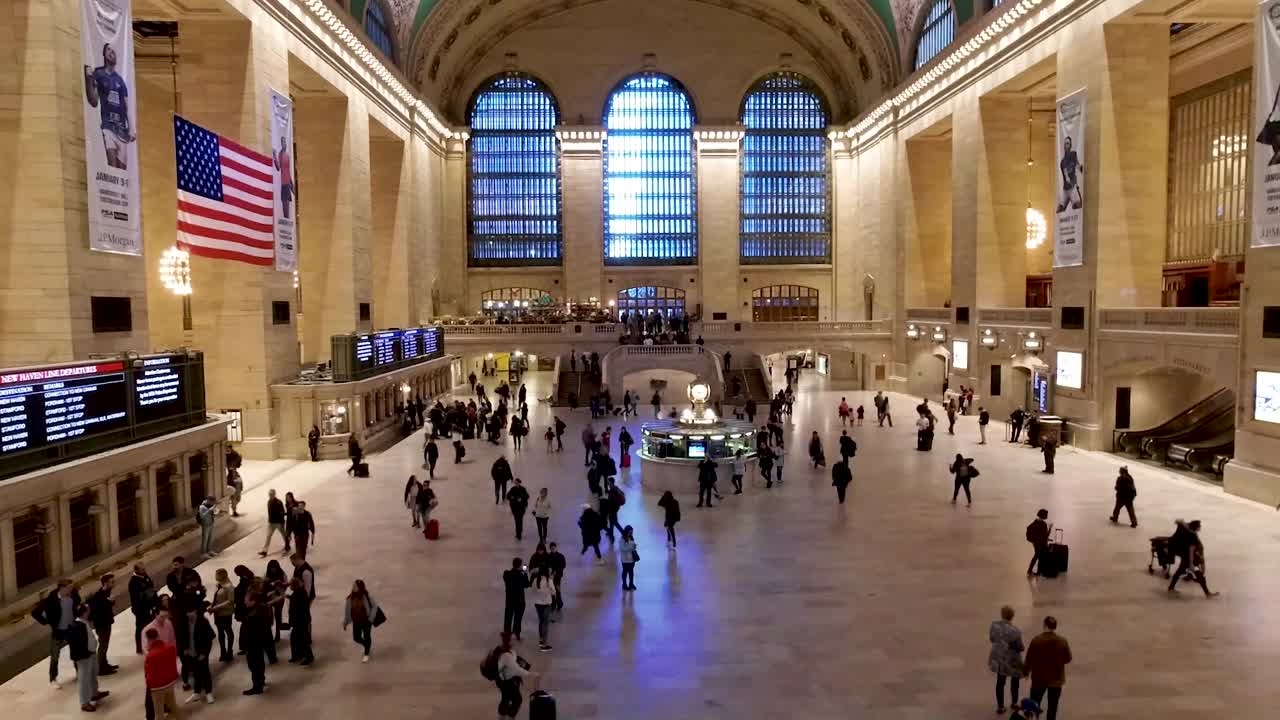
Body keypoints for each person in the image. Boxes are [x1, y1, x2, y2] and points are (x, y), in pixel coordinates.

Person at [34, 578, 82, 687]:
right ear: (61, 588)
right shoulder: (51, 600)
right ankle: (53, 678)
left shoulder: (73, 595)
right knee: (55, 655)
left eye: (72, 587)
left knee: (76, 652)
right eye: (69, 588)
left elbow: (77, 604)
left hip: (71, 628)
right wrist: (47, 622)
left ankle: (80, 672)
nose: (71, 590)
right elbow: (35, 612)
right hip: (59, 631)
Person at [1024, 616, 1072, 720]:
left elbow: (1029, 659)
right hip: (1056, 680)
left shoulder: (1036, 640)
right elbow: (1068, 659)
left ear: (1044, 625)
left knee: (1034, 704)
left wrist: (1026, 672)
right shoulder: (1062, 641)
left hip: (1039, 679)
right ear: (1055, 627)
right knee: (1052, 706)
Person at [68, 602, 110, 712]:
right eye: (88, 610)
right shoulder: (77, 626)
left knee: (92, 674)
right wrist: (87, 652)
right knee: (84, 679)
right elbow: (79, 643)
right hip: (84, 656)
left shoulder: (84, 622)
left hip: (90, 654)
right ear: (84, 612)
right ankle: (84, 702)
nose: (89, 611)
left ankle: (94, 693)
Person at [988, 605, 1025, 714]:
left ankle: (1000, 706)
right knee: (1015, 680)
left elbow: (992, 639)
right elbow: (1020, 647)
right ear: (1012, 617)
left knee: (1000, 681)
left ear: (1002, 614)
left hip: (998, 657)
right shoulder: (1015, 631)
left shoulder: (994, 626)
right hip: (1012, 659)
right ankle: (1014, 702)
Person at [492, 631, 537, 719]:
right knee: (516, 699)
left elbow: (514, 663)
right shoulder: (506, 655)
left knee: (506, 698)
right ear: (509, 641)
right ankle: (508, 716)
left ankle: (503, 716)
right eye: (513, 639)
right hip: (506, 682)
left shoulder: (508, 650)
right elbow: (517, 670)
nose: (516, 640)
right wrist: (531, 674)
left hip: (505, 680)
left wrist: (523, 663)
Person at [178, 601, 215, 705]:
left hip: (202, 653)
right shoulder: (184, 623)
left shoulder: (203, 622)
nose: (189, 615)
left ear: (195, 612)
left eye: (191, 612)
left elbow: (210, 638)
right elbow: (181, 638)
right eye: (187, 613)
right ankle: (196, 693)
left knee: (205, 672)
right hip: (190, 654)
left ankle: (208, 693)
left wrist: (205, 653)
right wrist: (184, 649)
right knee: (195, 673)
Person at [144, 628, 182, 720]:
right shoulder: (170, 648)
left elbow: (150, 674)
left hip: (157, 688)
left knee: (159, 713)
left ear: (149, 639)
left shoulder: (150, 656)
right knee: (173, 706)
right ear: (158, 636)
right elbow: (173, 664)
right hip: (169, 683)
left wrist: (149, 684)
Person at [85, 574, 118, 676]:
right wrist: (109, 602)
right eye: (112, 582)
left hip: (106, 622)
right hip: (101, 624)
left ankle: (104, 663)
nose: (114, 583)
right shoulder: (99, 595)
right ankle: (101, 668)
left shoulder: (107, 592)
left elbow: (108, 605)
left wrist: (111, 601)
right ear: (105, 583)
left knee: (105, 644)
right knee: (103, 645)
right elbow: (99, 610)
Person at [342, 580, 379, 662]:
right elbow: (347, 612)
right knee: (356, 638)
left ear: (360, 588)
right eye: (353, 586)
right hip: (356, 621)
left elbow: (374, 606)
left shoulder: (366, 596)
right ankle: (367, 646)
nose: (353, 587)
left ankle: (366, 653)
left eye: (355, 586)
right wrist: (345, 622)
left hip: (366, 621)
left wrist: (371, 618)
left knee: (366, 636)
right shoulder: (350, 598)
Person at [128, 565, 156, 654]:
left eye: (144, 568)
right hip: (140, 609)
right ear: (136, 570)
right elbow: (137, 597)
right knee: (140, 627)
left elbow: (150, 585)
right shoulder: (133, 582)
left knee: (150, 625)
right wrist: (149, 592)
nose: (144, 570)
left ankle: (151, 643)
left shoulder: (145, 576)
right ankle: (139, 647)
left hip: (149, 606)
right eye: (142, 569)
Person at [209, 569, 236, 663]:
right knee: (220, 632)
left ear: (222, 575)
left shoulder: (229, 587)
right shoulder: (218, 585)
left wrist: (217, 607)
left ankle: (230, 650)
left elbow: (230, 601)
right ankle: (223, 651)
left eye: (217, 574)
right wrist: (212, 606)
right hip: (217, 613)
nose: (215, 576)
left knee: (228, 630)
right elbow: (215, 597)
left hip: (226, 613)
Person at [286, 578, 314, 665]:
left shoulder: (300, 594)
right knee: (295, 639)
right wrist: (289, 597)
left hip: (301, 621)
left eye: (290, 585)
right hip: (299, 621)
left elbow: (298, 608)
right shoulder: (299, 593)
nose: (289, 587)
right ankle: (297, 655)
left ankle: (308, 657)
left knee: (303, 640)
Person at [501, 559, 529, 639]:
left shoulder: (507, 574)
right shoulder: (521, 576)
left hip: (509, 601)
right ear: (520, 566)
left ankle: (507, 633)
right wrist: (525, 573)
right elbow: (527, 584)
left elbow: (506, 578)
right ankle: (517, 633)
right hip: (519, 601)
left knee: (508, 618)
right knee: (518, 618)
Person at [530, 566, 555, 652]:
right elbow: (553, 592)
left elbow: (532, 590)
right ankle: (544, 644)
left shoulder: (535, 580)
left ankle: (541, 639)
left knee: (541, 621)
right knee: (546, 624)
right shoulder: (549, 581)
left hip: (537, 603)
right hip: (546, 604)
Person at [259, 489, 287, 558]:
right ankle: (264, 551)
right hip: (271, 523)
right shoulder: (269, 502)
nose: (270, 495)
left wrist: (282, 522)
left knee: (283, 534)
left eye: (271, 494)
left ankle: (287, 545)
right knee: (268, 536)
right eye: (269, 494)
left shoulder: (279, 502)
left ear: (274, 494)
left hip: (278, 523)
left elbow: (282, 512)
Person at [1026, 509, 1051, 576]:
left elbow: (1030, 530)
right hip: (1041, 544)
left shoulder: (1034, 522)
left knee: (1037, 556)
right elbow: (1046, 536)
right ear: (1044, 515)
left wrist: (1033, 541)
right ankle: (1033, 571)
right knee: (1039, 556)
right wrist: (1050, 528)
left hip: (1035, 543)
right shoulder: (1043, 524)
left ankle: (1033, 571)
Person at [546, 542, 567, 617]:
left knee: (557, 590)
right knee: (552, 590)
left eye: (553, 548)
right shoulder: (548, 556)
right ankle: (554, 604)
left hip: (557, 576)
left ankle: (559, 603)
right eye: (552, 548)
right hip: (550, 576)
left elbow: (563, 565)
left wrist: (556, 571)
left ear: (556, 547)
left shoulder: (560, 556)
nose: (553, 549)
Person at [618, 525, 639, 591]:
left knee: (631, 573)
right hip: (625, 560)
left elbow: (632, 545)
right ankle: (624, 585)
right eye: (630, 532)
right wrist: (631, 547)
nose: (631, 534)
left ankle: (631, 584)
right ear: (626, 531)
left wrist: (634, 545)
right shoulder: (622, 539)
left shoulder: (631, 538)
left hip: (631, 559)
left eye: (631, 532)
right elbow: (622, 548)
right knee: (625, 573)